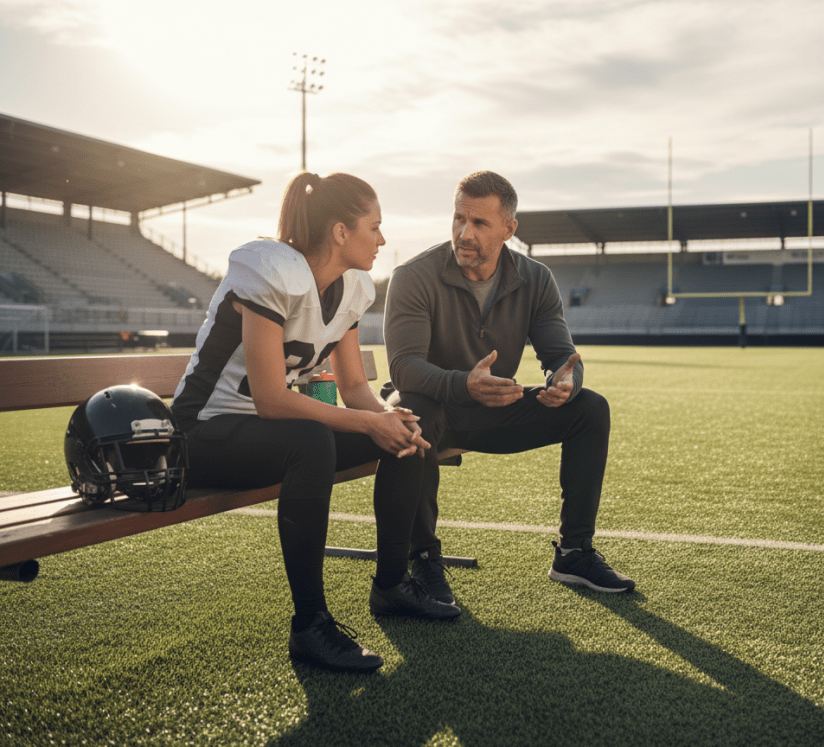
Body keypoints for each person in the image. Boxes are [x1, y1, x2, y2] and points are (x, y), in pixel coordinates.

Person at [171, 172, 459, 676]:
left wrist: (386, 418)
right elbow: (269, 400)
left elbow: (352, 388)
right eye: (375, 227)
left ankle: (391, 585)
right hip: (201, 433)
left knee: (406, 437)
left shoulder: (349, 288)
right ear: (341, 232)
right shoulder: (271, 268)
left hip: (263, 436)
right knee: (311, 441)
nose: (383, 239)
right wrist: (366, 424)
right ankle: (310, 624)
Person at [379, 170, 635, 605]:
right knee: (413, 412)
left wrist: (565, 382)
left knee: (590, 409)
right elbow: (404, 369)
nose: (464, 232)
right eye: (459, 218)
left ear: (509, 230)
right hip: (434, 408)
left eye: (479, 223)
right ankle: (422, 556)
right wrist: (465, 384)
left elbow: (561, 355)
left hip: (495, 408)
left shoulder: (535, 279)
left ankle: (574, 553)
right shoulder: (414, 276)